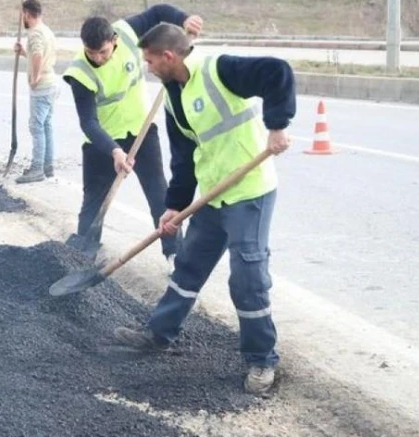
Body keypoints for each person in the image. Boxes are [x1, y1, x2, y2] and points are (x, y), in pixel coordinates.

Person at [112, 23, 296, 396]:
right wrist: (174, 206)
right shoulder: (174, 93)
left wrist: (277, 125)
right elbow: (184, 156)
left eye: (149, 60)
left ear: (169, 56)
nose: (147, 68)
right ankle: (158, 334)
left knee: (247, 276)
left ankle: (261, 360)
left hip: (248, 192)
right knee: (189, 265)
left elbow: (278, 72)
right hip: (212, 195)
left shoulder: (220, 70)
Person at [61, 5, 203, 265]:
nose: (98, 58)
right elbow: (88, 122)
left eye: (103, 52)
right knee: (94, 202)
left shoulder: (126, 32)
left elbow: (158, 12)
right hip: (102, 143)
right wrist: (114, 150)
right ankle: (82, 256)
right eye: (92, 53)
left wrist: (184, 19)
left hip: (141, 130)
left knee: (159, 193)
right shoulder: (79, 71)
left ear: (113, 40)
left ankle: (174, 253)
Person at [12, 0, 58, 184]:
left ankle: (37, 168)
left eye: (22, 14)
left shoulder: (35, 33)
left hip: (43, 86)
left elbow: (38, 55)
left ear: (26, 14)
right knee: (46, 125)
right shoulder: (46, 31)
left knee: (37, 127)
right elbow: (37, 54)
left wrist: (35, 77)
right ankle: (48, 166)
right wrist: (23, 52)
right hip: (52, 83)